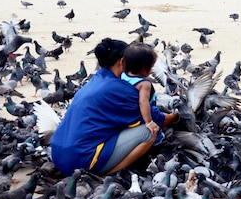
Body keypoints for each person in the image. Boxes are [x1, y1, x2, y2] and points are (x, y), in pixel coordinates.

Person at [50, 38, 178, 176]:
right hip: (80, 162)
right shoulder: (120, 88)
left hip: (59, 155)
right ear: (122, 61)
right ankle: (107, 173)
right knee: (149, 131)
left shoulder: (95, 80)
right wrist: (177, 116)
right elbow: (157, 118)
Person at [120, 43, 164, 146]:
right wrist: (149, 121)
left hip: (128, 115)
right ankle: (157, 143)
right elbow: (143, 102)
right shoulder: (144, 84)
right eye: (151, 67)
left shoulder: (122, 76)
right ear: (145, 69)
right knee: (156, 132)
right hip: (144, 116)